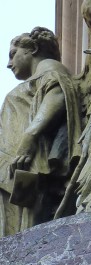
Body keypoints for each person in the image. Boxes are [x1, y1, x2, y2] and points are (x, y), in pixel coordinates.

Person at [0, 28, 79, 236]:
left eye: (13, 54)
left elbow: (58, 94)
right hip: (16, 168)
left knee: (27, 229)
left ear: (33, 48)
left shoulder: (50, 70)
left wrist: (30, 137)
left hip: (29, 166)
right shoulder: (40, 76)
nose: (9, 64)